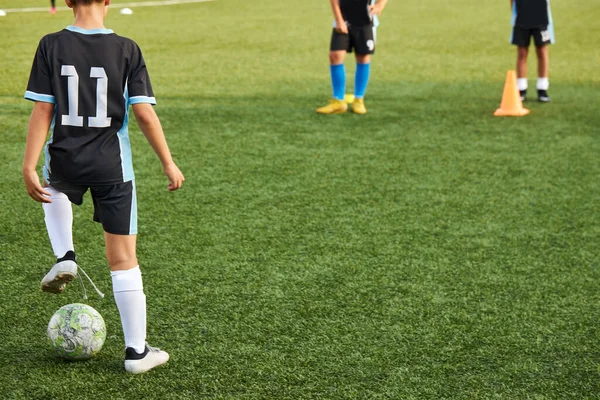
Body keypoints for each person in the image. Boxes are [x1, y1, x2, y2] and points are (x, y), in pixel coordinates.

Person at [23, 0, 184, 374]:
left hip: (65, 155)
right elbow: (143, 112)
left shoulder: (51, 43)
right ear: (108, 1)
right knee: (123, 260)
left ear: (67, 1)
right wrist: (168, 161)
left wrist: (28, 164)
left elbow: (42, 110)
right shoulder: (127, 48)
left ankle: (66, 255)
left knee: (54, 185)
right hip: (113, 166)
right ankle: (136, 352)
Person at [316, 0, 389, 115]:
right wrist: (339, 20)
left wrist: (380, 5)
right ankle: (338, 101)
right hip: (343, 19)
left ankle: (359, 99)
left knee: (363, 56)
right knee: (335, 55)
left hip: (366, 20)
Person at [510, 0, 554, 102]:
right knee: (522, 52)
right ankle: (521, 89)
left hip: (540, 15)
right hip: (521, 16)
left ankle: (542, 89)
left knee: (541, 50)